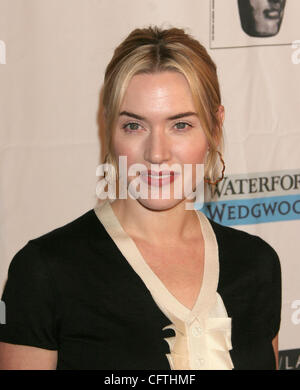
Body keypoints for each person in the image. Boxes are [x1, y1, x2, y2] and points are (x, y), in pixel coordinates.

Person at [0, 25, 281, 370]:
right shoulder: (45, 272)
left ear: (215, 126)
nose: (157, 153)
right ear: (109, 128)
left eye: (180, 125)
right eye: (135, 126)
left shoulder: (257, 264)